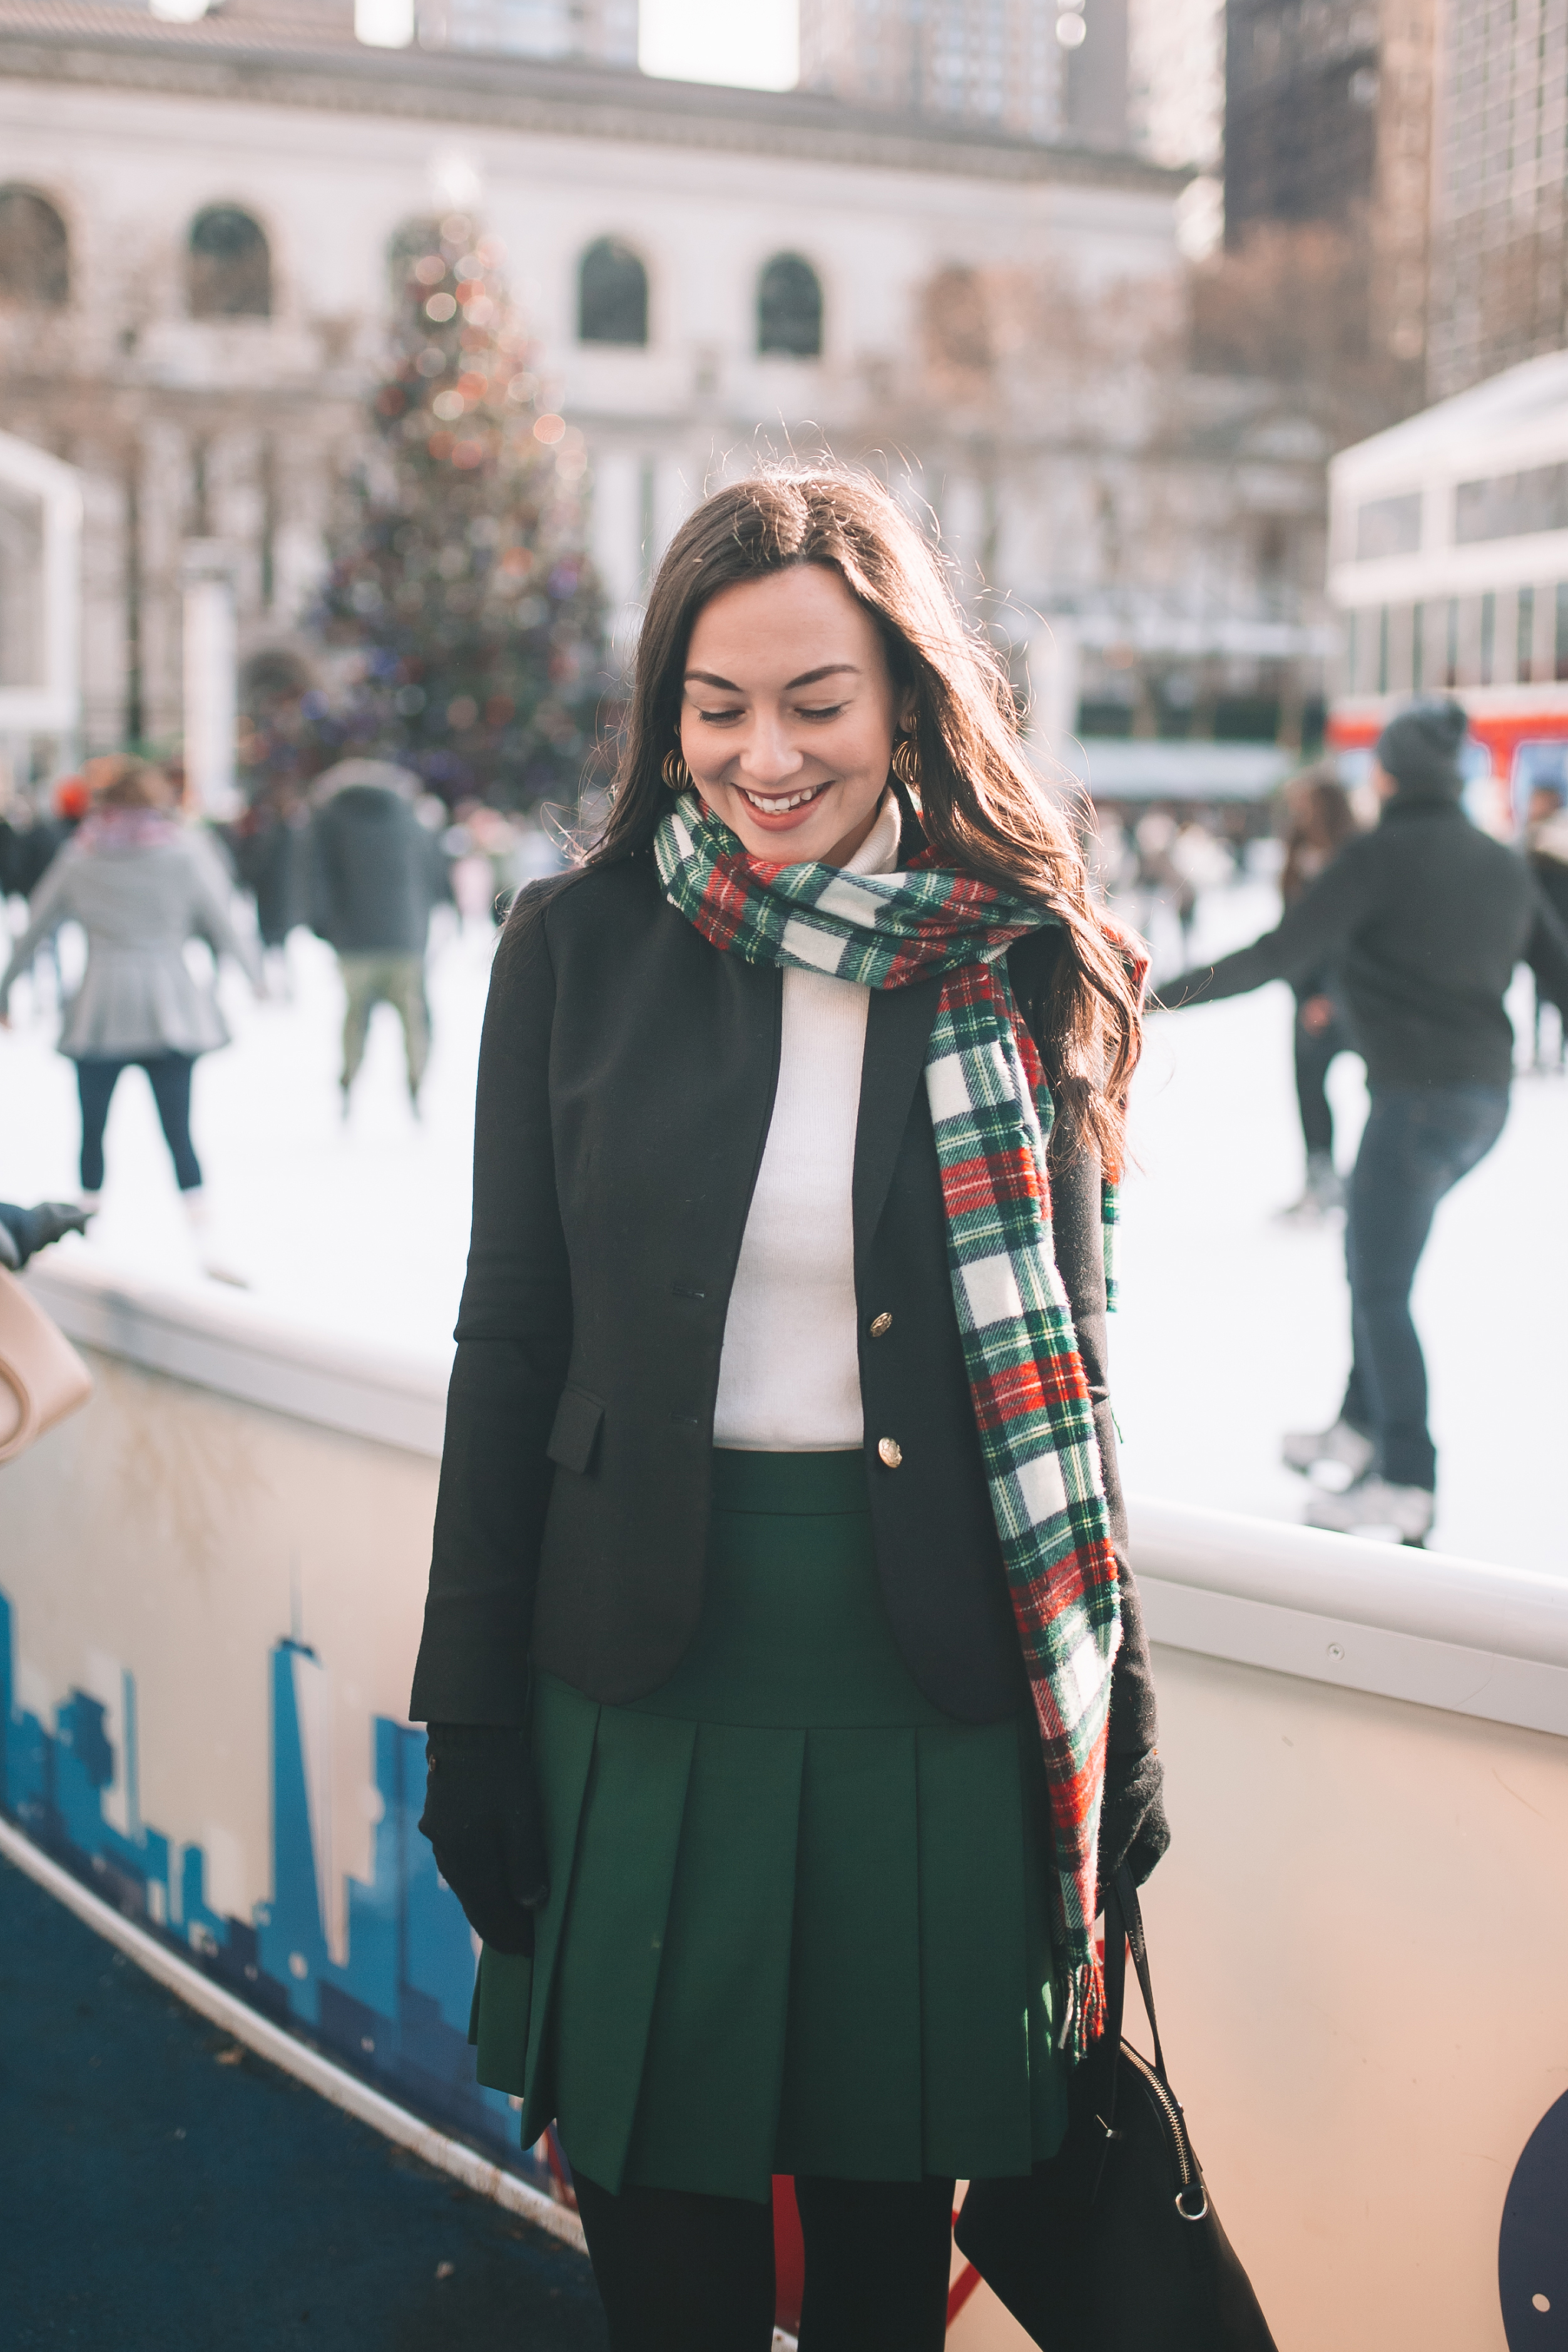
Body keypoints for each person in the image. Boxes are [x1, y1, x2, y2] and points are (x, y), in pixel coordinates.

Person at [409, 471, 1168, 2350]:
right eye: (715, 703)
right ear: (665, 711)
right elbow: (509, 1341)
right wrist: (470, 1706)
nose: (764, 752)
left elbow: (1066, 1355)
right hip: (639, 1675)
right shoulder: (572, 951)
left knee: (881, 2289)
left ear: (905, 696)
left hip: (934, 1681)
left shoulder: (1015, 955)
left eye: (814, 701)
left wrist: (1119, 1698)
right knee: (665, 2274)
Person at [1159, 700, 1568, 1546]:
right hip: (1478, 1103)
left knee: (1379, 1282)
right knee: (1373, 1258)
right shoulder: (1501, 863)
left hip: (1415, 1104)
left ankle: (1406, 1478)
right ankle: (1357, 1423)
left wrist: (1145, 992)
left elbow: (1277, 953)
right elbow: (1557, 972)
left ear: (1386, 773)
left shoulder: (1376, 857)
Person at [0, 757, 261, 1260]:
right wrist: (254, 976)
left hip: (102, 1006)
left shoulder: (82, 856)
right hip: (171, 1005)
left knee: (92, 1129)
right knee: (179, 1130)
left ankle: (86, 1227)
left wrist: (6, 990)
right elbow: (221, 918)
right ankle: (204, 1236)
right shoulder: (183, 854)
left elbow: (34, 926)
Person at [303, 759, 450, 1115]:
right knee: (413, 1018)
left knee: (355, 1017)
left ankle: (349, 1082)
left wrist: (324, 927)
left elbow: (316, 877)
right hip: (406, 936)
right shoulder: (408, 818)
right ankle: (416, 1084)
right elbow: (433, 873)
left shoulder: (328, 821)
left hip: (353, 940)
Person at [1276, 766, 1363, 1217]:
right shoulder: (1297, 854)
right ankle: (1321, 1176)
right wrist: (1305, 992)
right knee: (1309, 1086)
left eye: (1305, 804)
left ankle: (1362, 1180)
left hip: (1350, 994)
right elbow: (1291, 933)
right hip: (1307, 992)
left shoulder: (1353, 856)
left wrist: (1330, 993)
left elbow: (1352, 935)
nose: (1298, 812)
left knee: (1379, 1085)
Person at [1524, 778, 1568, 1070]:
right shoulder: (1532, 836)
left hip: (1558, 923)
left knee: (1555, 985)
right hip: (1542, 923)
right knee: (1540, 992)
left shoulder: (1554, 835)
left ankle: (1558, 1051)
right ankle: (1544, 1049)